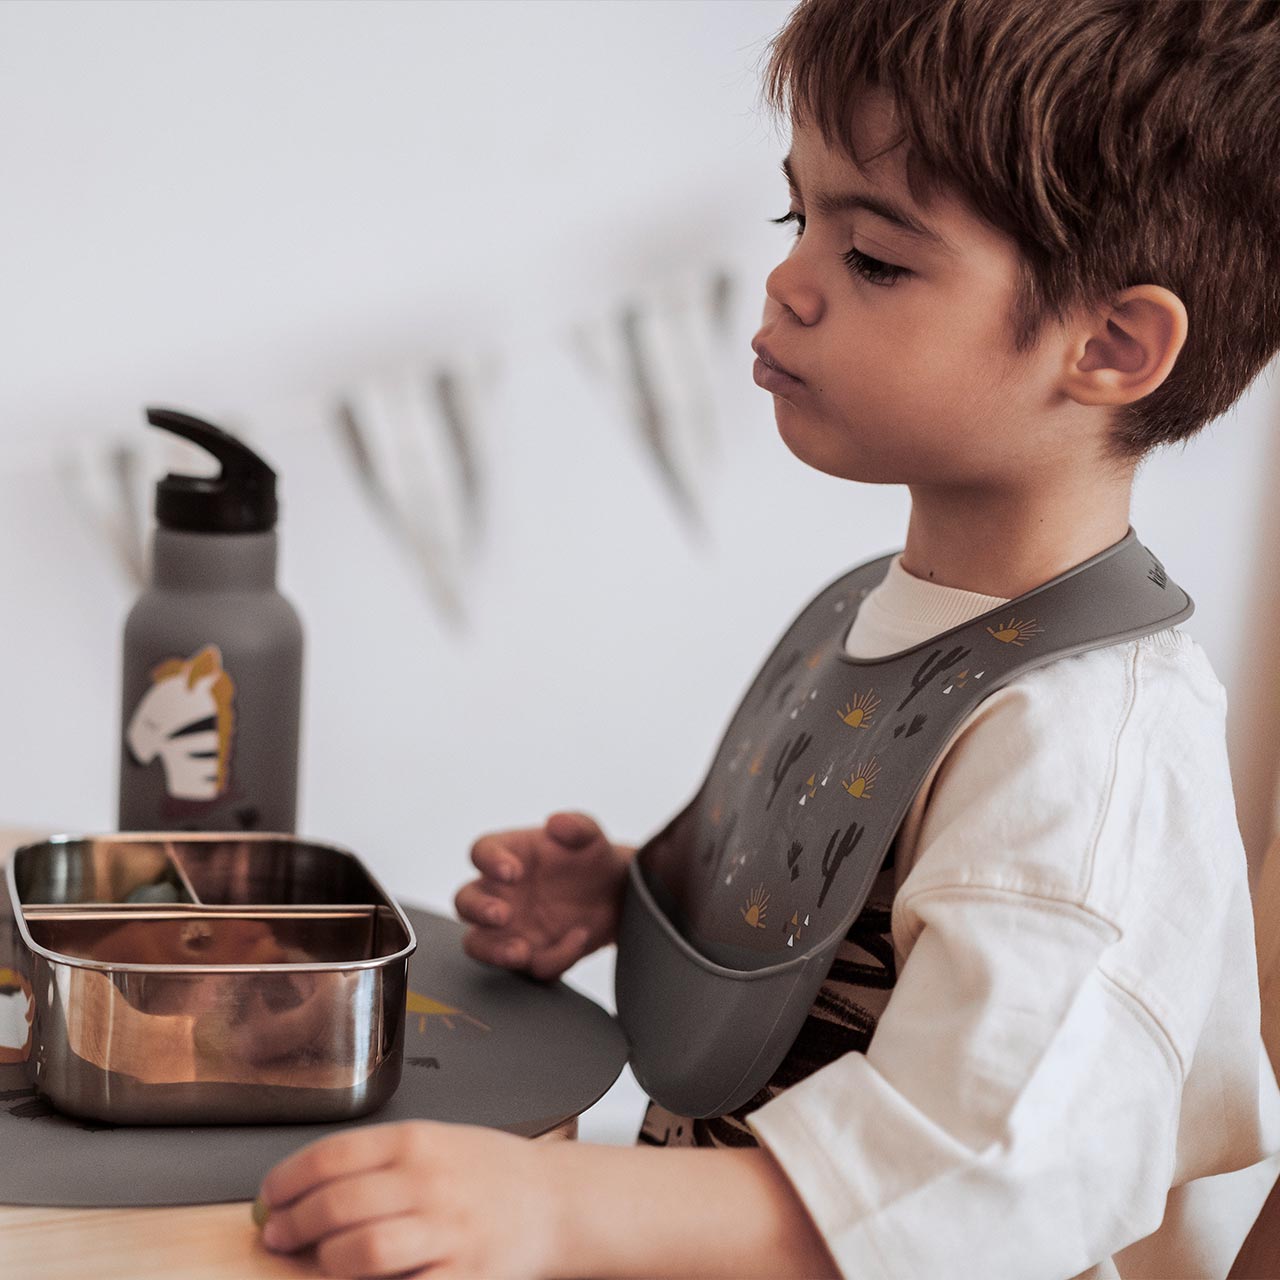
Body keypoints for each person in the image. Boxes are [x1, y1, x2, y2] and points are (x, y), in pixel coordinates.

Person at [253, 1, 1280, 1275]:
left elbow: (988, 1162)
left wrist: (550, 1204)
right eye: (799, 220)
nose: (788, 283)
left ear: (1110, 345)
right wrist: (644, 897)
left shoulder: (1081, 745)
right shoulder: (901, 611)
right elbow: (863, 926)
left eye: (876, 261)